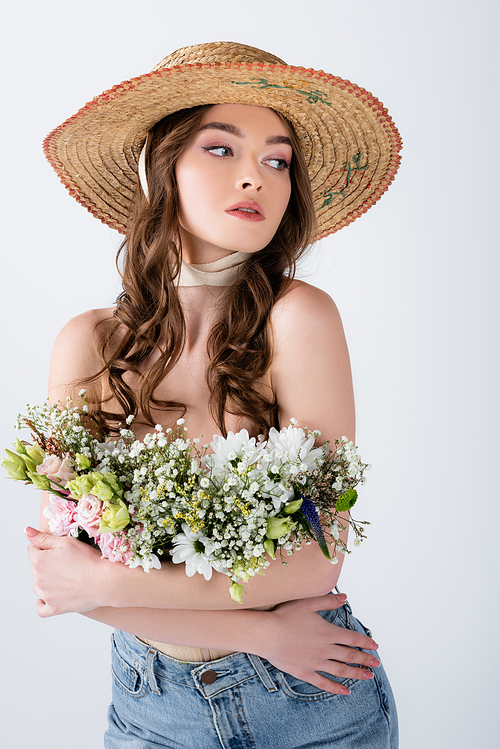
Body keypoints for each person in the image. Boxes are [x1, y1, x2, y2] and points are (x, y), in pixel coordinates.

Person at [26, 42, 401, 748]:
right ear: (159, 167)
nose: (257, 177)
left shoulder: (299, 318)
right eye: (222, 149)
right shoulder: (88, 345)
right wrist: (259, 629)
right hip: (151, 708)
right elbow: (62, 578)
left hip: (308, 699)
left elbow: (321, 557)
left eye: (277, 159)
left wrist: (103, 585)